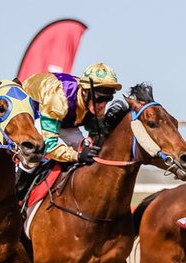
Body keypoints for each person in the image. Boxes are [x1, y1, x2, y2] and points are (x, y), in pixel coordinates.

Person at [16, 63, 122, 197]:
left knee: (87, 149)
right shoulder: (59, 99)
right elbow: (50, 146)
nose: (103, 105)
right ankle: (17, 189)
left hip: (61, 118)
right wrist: (76, 156)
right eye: (100, 98)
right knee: (37, 147)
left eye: (108, 99)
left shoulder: (92, 103)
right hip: (32, 112)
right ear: (85, 92)